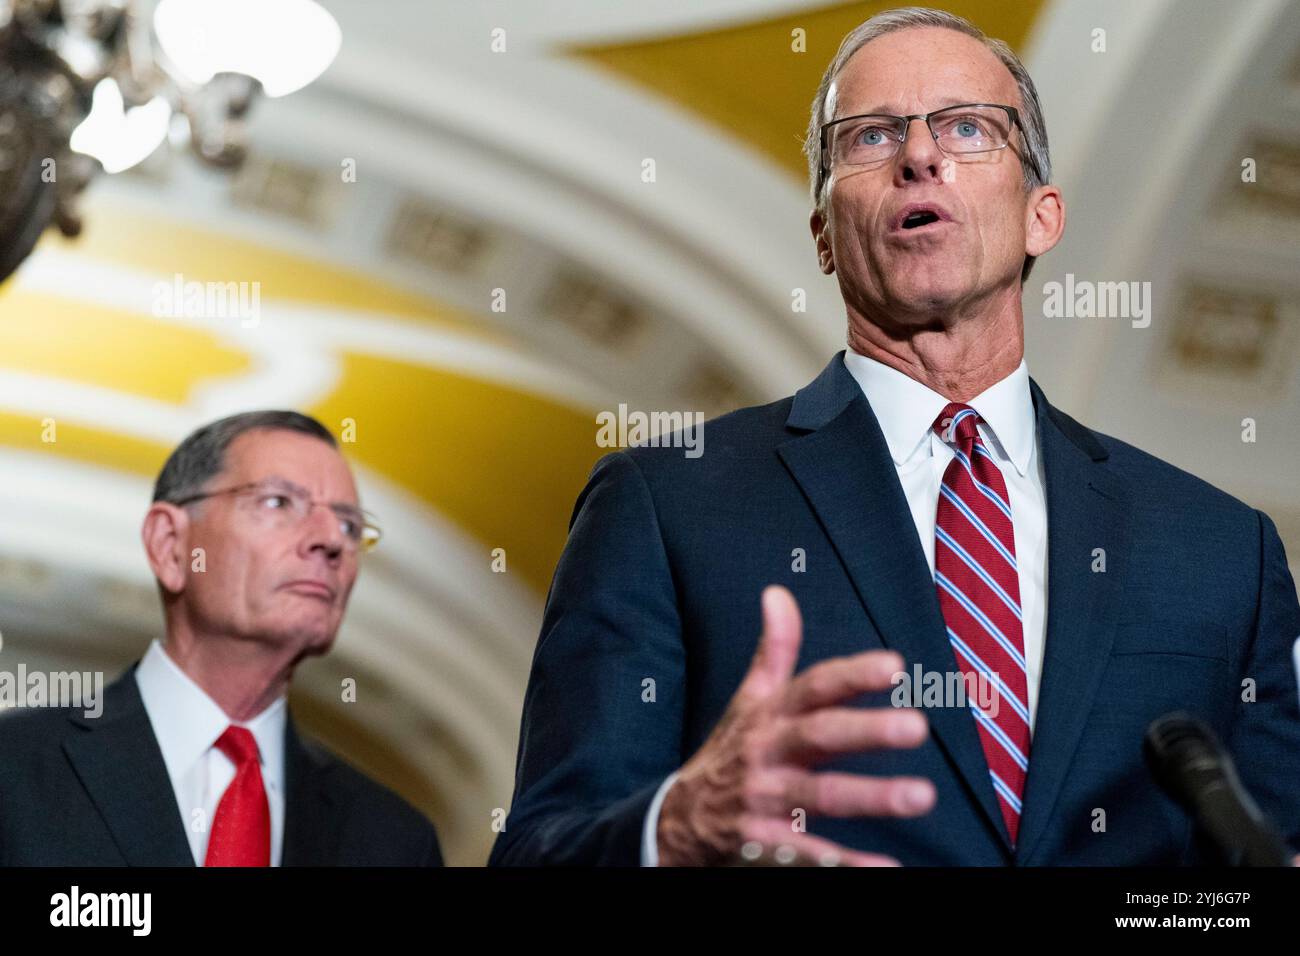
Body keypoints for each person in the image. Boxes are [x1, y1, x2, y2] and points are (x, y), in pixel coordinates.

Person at [490, 7, 1300, 866]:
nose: (921, 156)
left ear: (1042, 217)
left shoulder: (1218, 548)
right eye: (870, 137)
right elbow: (543, 847)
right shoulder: (667, 505)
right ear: (823, 239)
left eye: (966, 127)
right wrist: (673, 830)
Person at [0, 411, 442, 866]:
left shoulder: (394, 842)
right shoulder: (13, 772)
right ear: (171, 546)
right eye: (279, 502)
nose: (331, 540)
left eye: (350, 525)